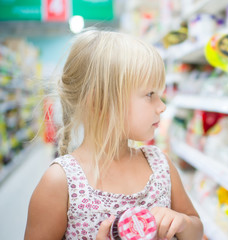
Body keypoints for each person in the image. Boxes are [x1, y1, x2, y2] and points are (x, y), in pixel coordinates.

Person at [24, 29, 203, 240]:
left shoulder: (160, 165)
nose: (162, 107)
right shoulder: (61, 182)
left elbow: (196, 228)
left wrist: (182, 223)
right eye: (149, 95)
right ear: (101, 102)